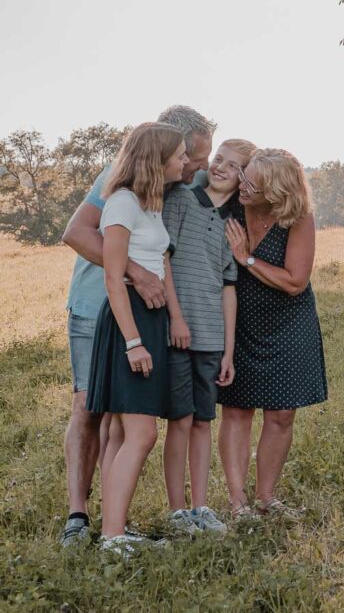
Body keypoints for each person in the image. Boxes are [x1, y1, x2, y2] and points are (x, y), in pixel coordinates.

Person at [59, 105, 216, 547]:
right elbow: (76, 232)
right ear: (168, 149)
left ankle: (114, 526)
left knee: (120, 426)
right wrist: (134, 273)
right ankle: (79, 517)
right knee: (90, 410)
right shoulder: (119, 183)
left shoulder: (165, 186)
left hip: (145, 314)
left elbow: (166, 248)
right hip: (101, 309)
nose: (198, 165)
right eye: (194, 155)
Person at [86, 122, 189, 554]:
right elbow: (113, 279)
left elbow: (157, 263)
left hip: (151, 319)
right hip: (128, 320)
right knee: (142, 433)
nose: (186, 162)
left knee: (126, 433)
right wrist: (133, 342)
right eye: (180, 155)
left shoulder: (151, 204)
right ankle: (112, 536)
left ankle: (115, 530)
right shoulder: (123, 203)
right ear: (156, 158)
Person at [220, 148, 328, 518]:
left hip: (289, 319)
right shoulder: (230, 205)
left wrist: (245, 257)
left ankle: (267, 497)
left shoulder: (297, 217)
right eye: (244, 176)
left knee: (281, 413)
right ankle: (238, 502)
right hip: (239, 318)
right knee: (236, 410)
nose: (244, 186)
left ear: (278, 193)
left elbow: (296, 282)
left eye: (253, 184)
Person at [162, 139, 257, 534]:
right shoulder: (182, 199)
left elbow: (227, 287)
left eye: (233, 166)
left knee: (203, 420)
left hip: (212, 338)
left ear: (242, 179)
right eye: (219, 159)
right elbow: (162, 258)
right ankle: (178, 510)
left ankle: (201, 507)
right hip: (177, 331)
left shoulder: (233, 224)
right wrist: (176, 318)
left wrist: (228, 351)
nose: (220, 167)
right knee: (180, 421)